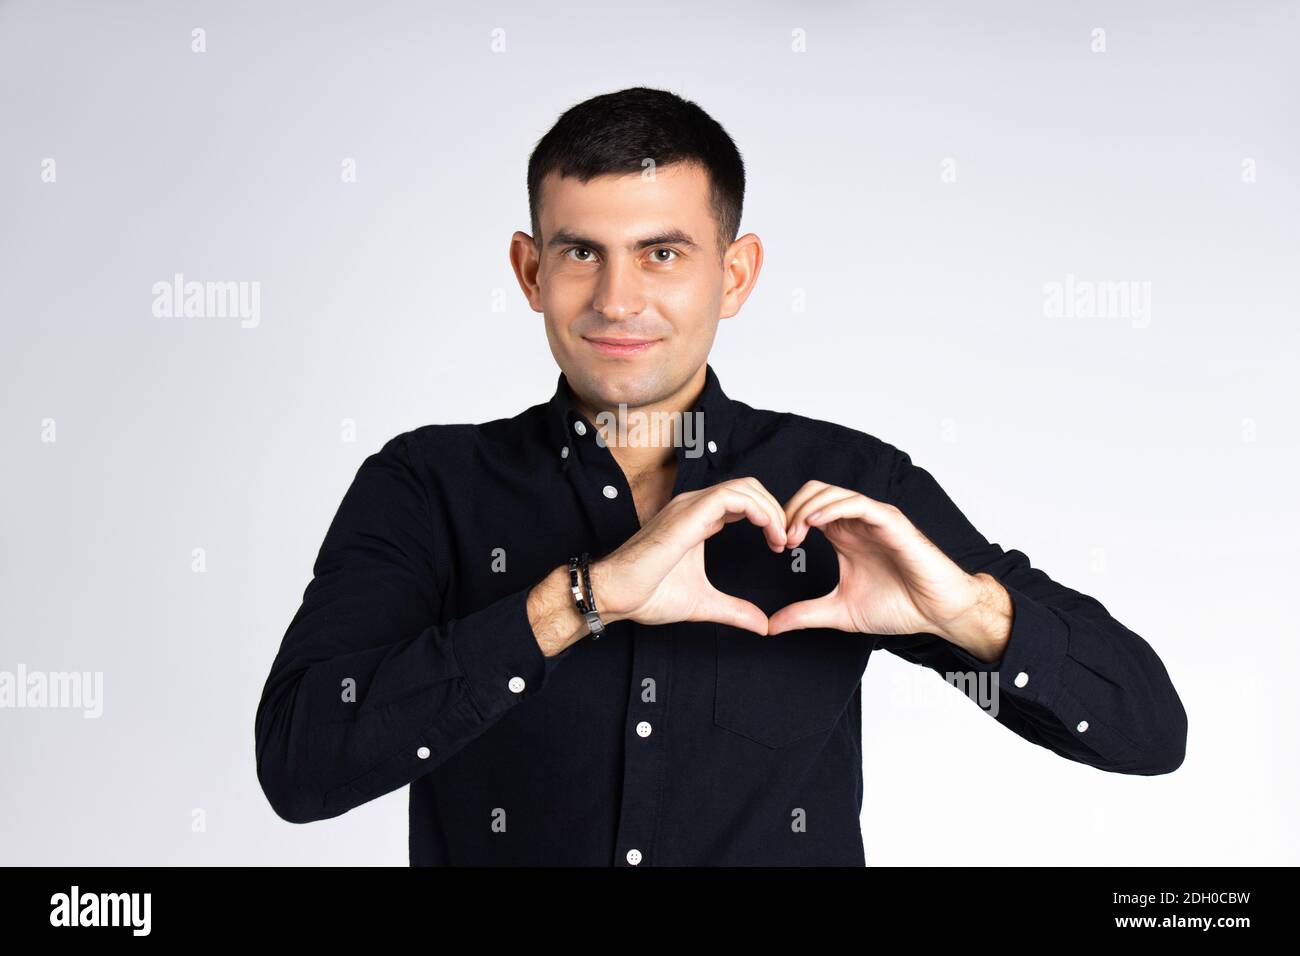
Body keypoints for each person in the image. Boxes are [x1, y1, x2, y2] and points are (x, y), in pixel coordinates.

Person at [254, 86, 1187, 866]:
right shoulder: (426, 485)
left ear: (734, 275)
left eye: (662, 254)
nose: (618, 299)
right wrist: (574, 604)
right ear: (529, 270)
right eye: (582, 253)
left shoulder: (848, 485)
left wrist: (972, 617)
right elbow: (301, 768)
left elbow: (1148, 732)